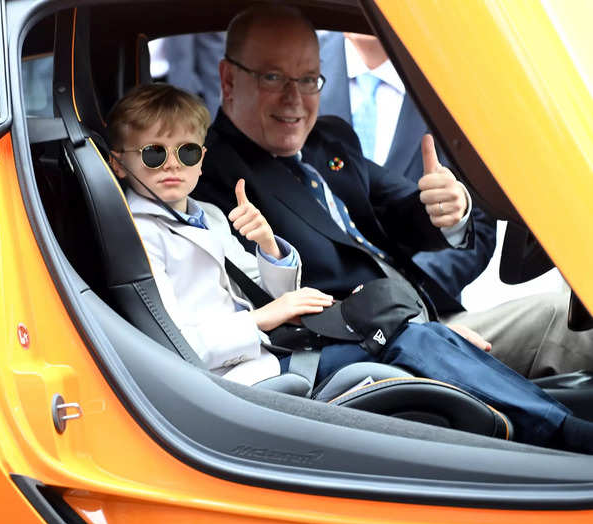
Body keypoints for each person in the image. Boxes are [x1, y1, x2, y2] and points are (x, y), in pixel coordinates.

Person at [107, 82, 593, 454]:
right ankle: (561, 433)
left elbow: (269, 292)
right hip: (246, 374)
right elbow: (172, 344)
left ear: (200, 158)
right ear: (120, 164)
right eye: (154, 154)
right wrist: (261, 319)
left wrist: (269, 248)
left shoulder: (206, 214)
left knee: (416, 334)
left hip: (283, 346)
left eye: (186, 153)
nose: (172, 165)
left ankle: (550, 423)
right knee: (413, 337)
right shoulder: (141, 231)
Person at [192, 4, 593, 379]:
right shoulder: (211, 176)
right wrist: (418, 336)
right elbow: (276, 303)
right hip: (376, 353)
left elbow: (402, 209)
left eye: (308, 79)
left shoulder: (328, 139)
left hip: (433, 320)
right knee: (564, 317)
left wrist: (447, 208)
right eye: (274, 77)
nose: (294, 99)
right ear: (229, 80)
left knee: (577, 314)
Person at [318, 31, 496, 301]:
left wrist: (403, 296)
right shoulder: (291, 56)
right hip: (311, 308)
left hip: (422, 308)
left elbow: (476, 225)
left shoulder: (458, 79)